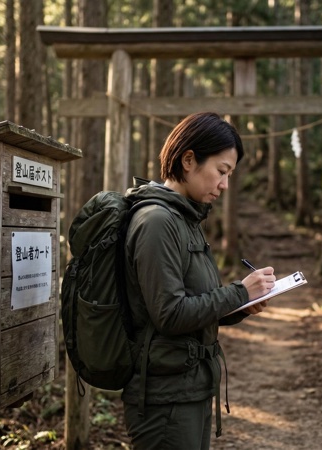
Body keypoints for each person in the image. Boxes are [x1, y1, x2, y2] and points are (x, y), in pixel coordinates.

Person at [121, 112, 276, 449]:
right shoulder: (157, 222)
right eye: (221, 172)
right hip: (164, 399)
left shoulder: (185, 219)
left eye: (229, 175)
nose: (224, 185)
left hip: (189, 387)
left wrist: (241, 306)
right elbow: (169, 314)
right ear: (188, 160)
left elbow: (195, 304)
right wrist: (237, 291)